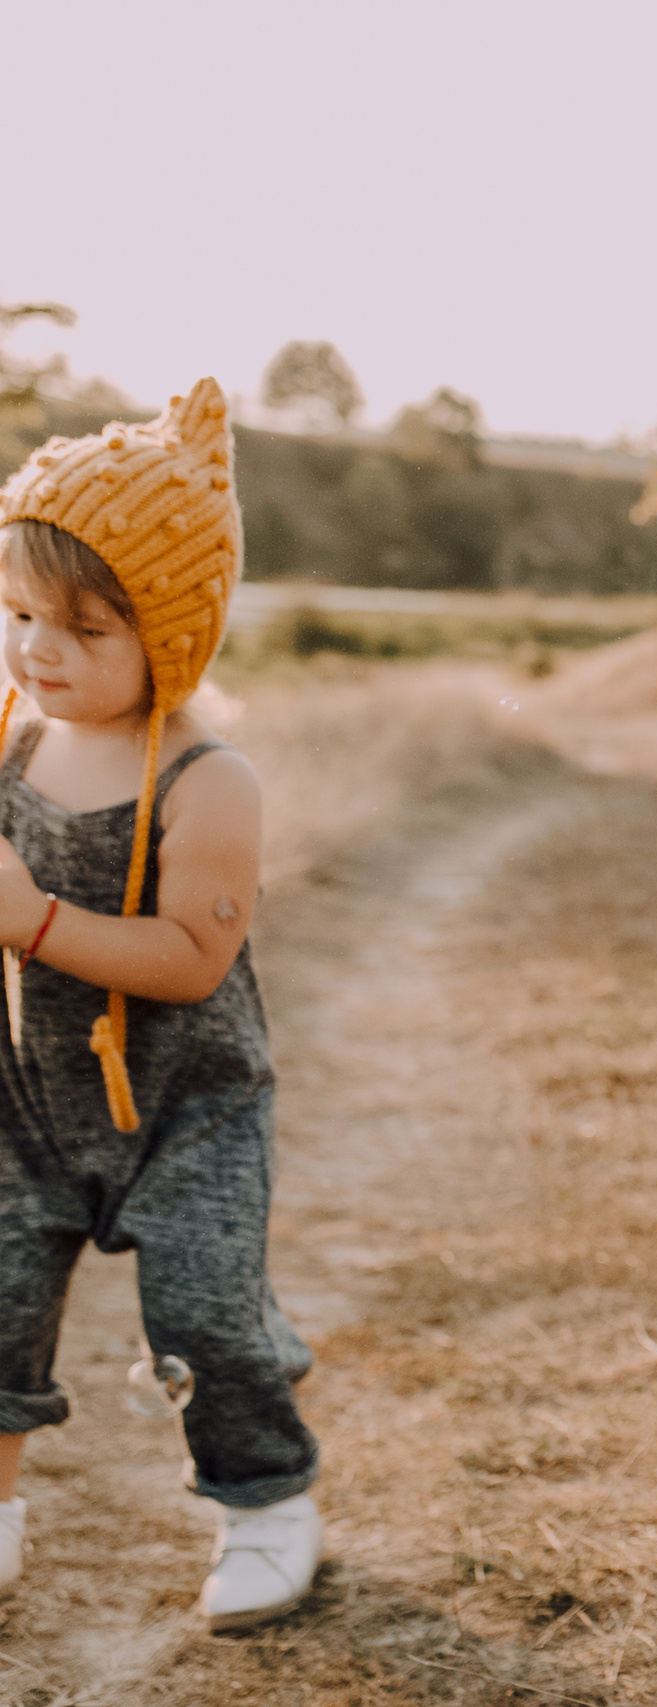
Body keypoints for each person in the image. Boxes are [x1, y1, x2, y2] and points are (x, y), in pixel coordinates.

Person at [0, 381, 324, 1628]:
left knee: (204, 1314)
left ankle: (266, 1503)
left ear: (172, 636)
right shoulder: (14, 745)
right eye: (22, 613)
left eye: (84, 630)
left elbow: (192, 958)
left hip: (190, 1110)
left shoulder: (207, 777)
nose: (38, 651)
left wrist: (33, 920)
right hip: (28, 1098)